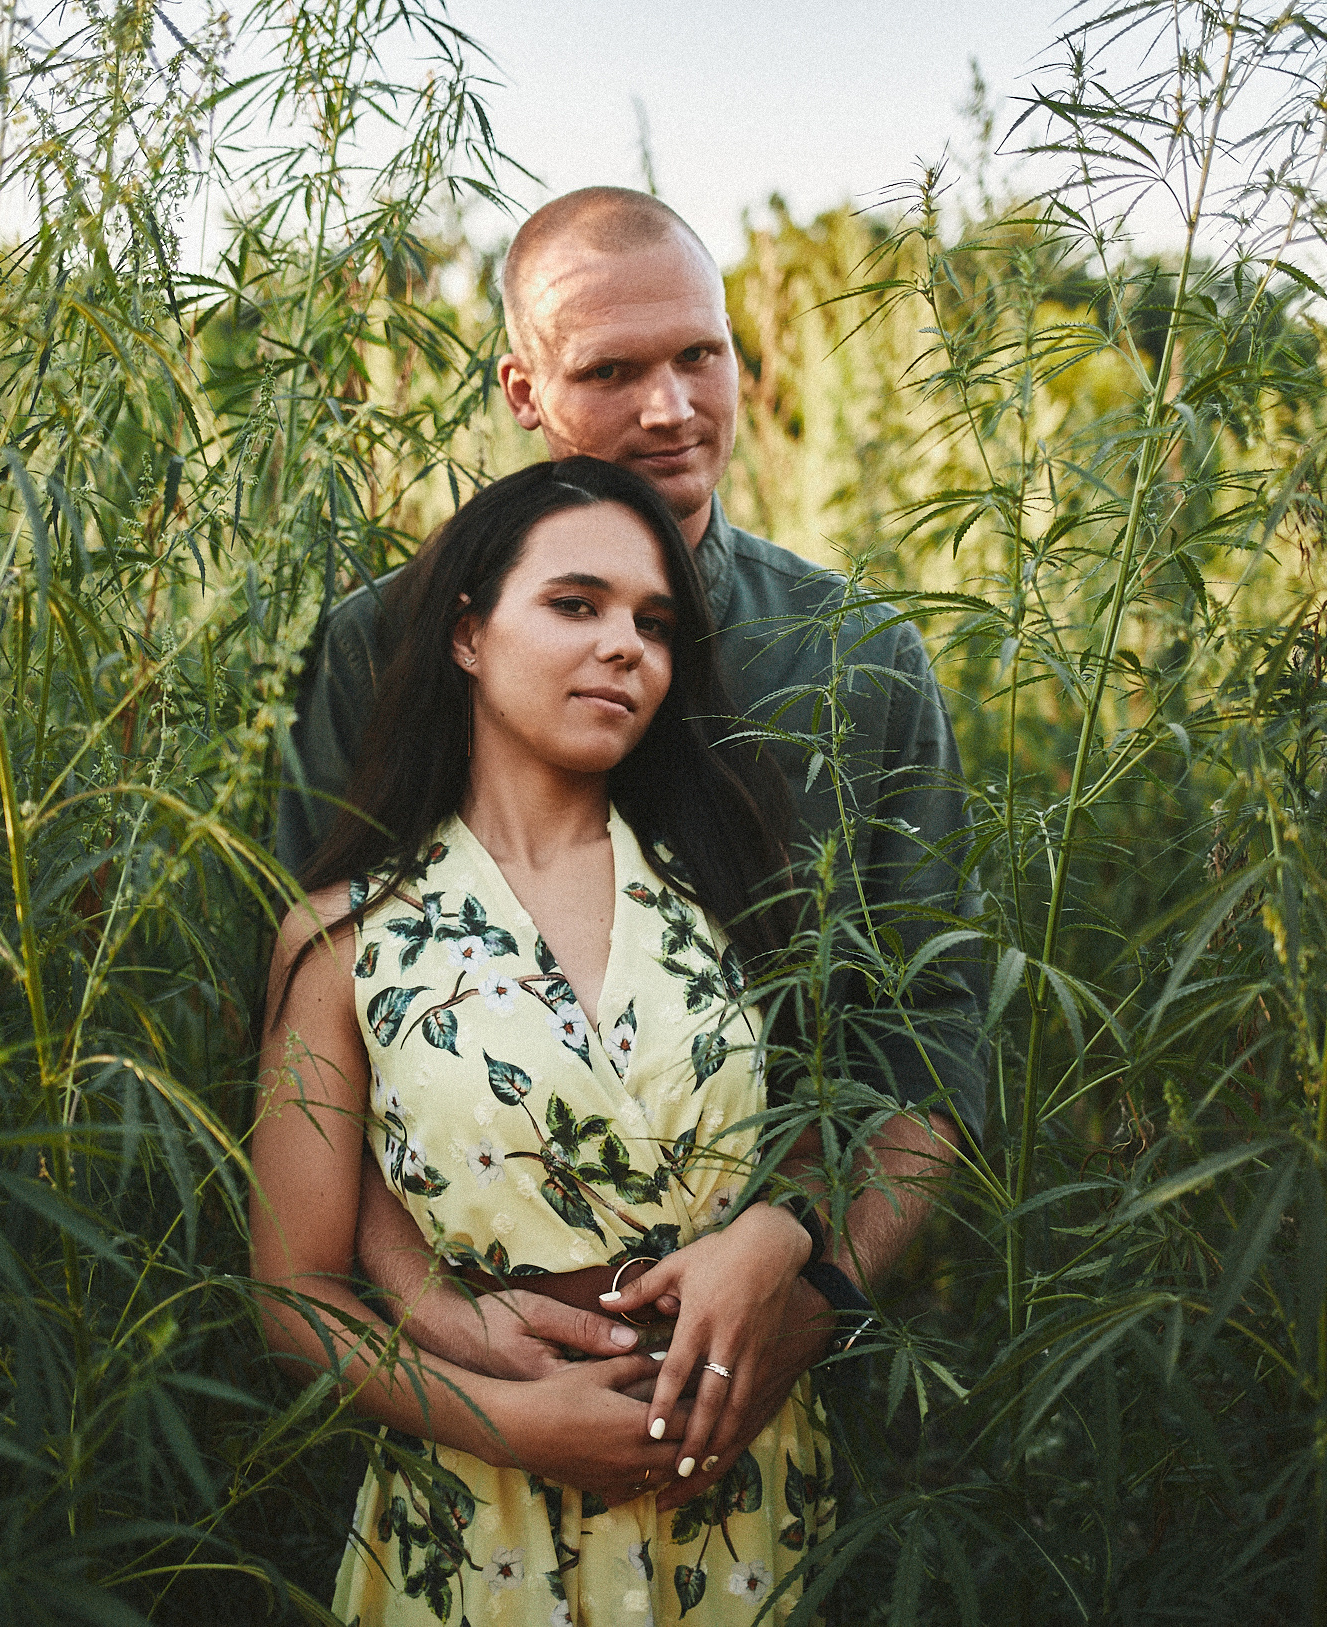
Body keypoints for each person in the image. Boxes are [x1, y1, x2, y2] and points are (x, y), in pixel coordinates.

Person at [274, 187, 986, 1516]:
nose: (670, 408)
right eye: (611, 369)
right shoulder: (387, 646)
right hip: (472, 1404)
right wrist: (451, 1327)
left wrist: (805, 1284)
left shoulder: (859, 660)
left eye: (698, 356)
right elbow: (315, 1047)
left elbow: (933, 1032)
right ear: (524, 387)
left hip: (778, 1385)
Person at [251, 458, 840, 1624]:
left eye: (655, 623)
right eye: (577, 604)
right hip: (479, 1505)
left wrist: (781, 1231)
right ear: (468, 634)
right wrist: (511, 1421)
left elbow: (826, 1134)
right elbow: (294, 1293)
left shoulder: (732, 881)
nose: (627, 645)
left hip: (740, 1480)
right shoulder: (345, 937)